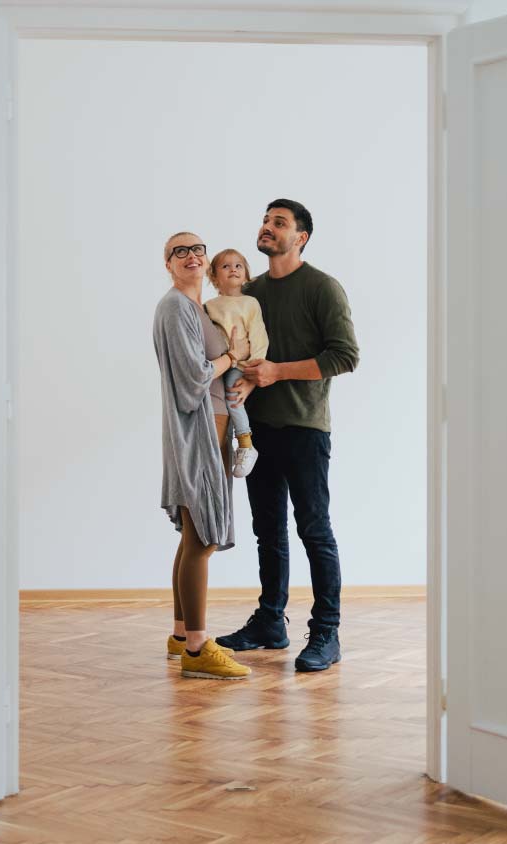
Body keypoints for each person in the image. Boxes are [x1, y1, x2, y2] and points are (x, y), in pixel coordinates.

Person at [216, 199, 360, 673]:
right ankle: (270, 623)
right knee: (268, 533)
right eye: (264, 220)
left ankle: (326, 633)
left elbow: (344, 356)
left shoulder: (322, 288)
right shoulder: (250, 292)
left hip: (304, 429)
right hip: (257, 433)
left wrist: (278, 372)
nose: (267, 227)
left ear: (301, 237)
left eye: (279, 223)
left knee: (314, 531)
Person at [153, 231, 252, 680]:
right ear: (167, 263)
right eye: (180, 251)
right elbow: (193, 379)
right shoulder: (175, 307)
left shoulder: (198, 309)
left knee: (193, 538)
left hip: (211, 435)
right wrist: (233, 356)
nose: (191, 256)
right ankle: (197, 648)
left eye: (197, 249)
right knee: (202, 540)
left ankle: (179, 636)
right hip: (197, 436)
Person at [203, 248, 269, 478]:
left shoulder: (250, 303)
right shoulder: (209, 305)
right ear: (213, 276)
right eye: (226, 266)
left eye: (238, 265)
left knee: (233, 397)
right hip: (217, 365)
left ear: (246, 273)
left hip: (240, 365)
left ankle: (245, 443)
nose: (233, 269)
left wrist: (254, 366)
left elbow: (259, 335)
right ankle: (228, 442)